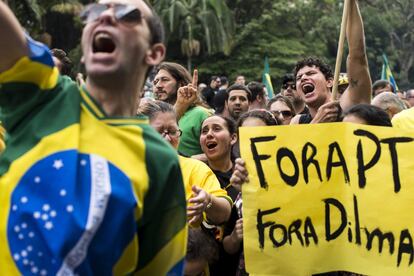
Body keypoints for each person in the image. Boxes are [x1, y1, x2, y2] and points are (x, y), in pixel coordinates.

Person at [0, 1, 187, 275]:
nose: (107, 17)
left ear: (154, 52)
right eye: (96, 13)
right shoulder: (43, 97)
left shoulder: (159, 160)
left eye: (127, 15)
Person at [139, 100, 232, 226]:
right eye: (159, 131)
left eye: (172, 132)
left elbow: (224, 213)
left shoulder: (195, 168)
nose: (167, 138)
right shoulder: (125, 167)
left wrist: (208, 201)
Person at [290, 0, 371, 125]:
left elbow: (357, 54)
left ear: (329, 82)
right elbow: (298, 145)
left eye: (311, 73)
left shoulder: (350, 106)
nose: (304, 78)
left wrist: (351, 3)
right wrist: (316, 123)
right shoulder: (297, 122)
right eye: (299, 77)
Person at [153, 62, 211, 156]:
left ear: (181, 84)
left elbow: (221, 151)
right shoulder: (152, 116)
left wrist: (189, 161)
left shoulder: (201, 114)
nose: (158, 85)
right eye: (155, 82)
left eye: (165, 80)